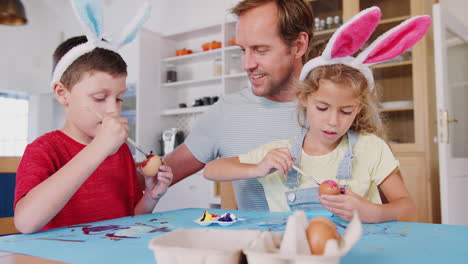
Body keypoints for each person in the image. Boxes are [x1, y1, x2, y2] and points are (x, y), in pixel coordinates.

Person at [204, 7, 431, 222]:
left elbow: (408, 209)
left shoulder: (371, 148)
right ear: (304, 99)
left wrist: (372, 212)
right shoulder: (280, 153)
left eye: (346, 111)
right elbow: (211, 170)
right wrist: (258, 168)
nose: (333, 121)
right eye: (322, 108)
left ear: (359, 108)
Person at [14, 1, 172, 234]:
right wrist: (99, 148)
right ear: (62, 93)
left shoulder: (119, 152)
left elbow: (128, 221)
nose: (113, 110)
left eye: (119, 98)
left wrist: (150, 197)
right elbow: (25, 223)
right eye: (99, 97)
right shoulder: (44, 150)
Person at [164, 0, 315, 211]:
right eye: (243, 50)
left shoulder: (337, 108)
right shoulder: (226, 112)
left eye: (260, 50)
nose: (247, 64)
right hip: (258, 242)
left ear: (298, 45)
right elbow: (157, 175)